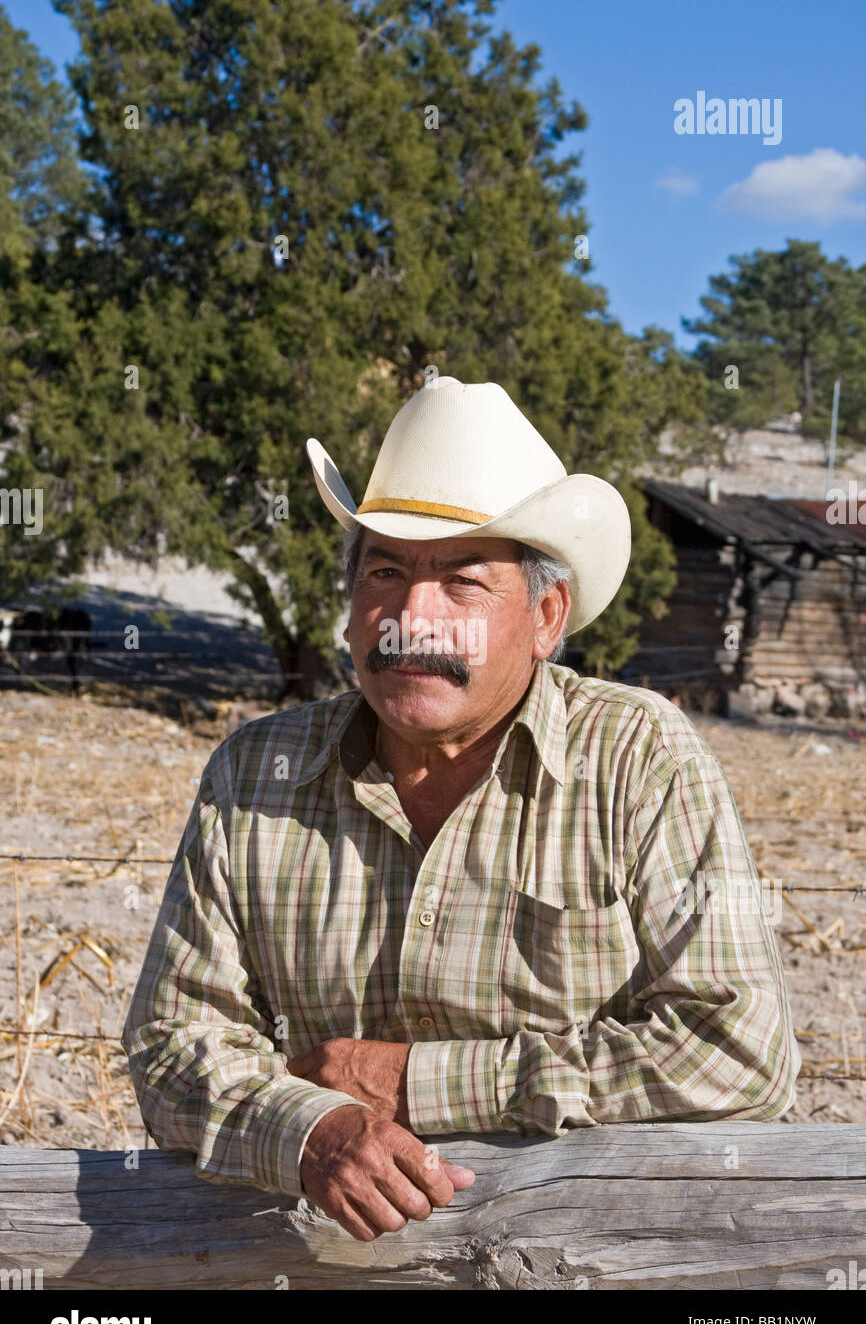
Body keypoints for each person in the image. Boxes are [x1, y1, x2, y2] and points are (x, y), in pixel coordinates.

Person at [122, 376, 800, 1243]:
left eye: (463, 583)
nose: (411, 617)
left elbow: (742, 1055)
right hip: (313, 1263)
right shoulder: (256, 774)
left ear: (546, 616)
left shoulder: (640, 763)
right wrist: (309, 1129)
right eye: (386, 572)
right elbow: (172, 1045)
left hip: (581, 1261)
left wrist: (415, 1082)